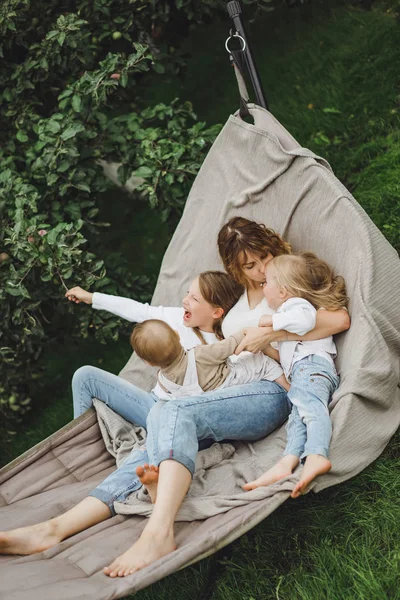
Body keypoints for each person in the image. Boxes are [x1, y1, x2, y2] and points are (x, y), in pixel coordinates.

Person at [0, 218, 350, 578]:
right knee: (153, 439)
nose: (261, 270)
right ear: (235, 269)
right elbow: (168, 317)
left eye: (264, 258)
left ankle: (159, 532)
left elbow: (338, 319)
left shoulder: (286, 283)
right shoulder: (234, 297)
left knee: (172, 410)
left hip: (266, 392)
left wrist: (270, 337)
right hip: (221, 396)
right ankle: (53, 529)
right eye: (249, 265)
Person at [243, 253, 348, 497]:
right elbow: (285, 352)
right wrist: (264, 345)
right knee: (297, 417)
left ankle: (316, 454)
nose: (262, 286)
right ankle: (288, 460)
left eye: (266, 282)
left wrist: (273, 321)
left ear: (283, 292)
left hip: (312, 367)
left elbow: (306, 320)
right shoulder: (287, 315)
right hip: (304, 372)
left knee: (311, 409)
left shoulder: (296, 307)